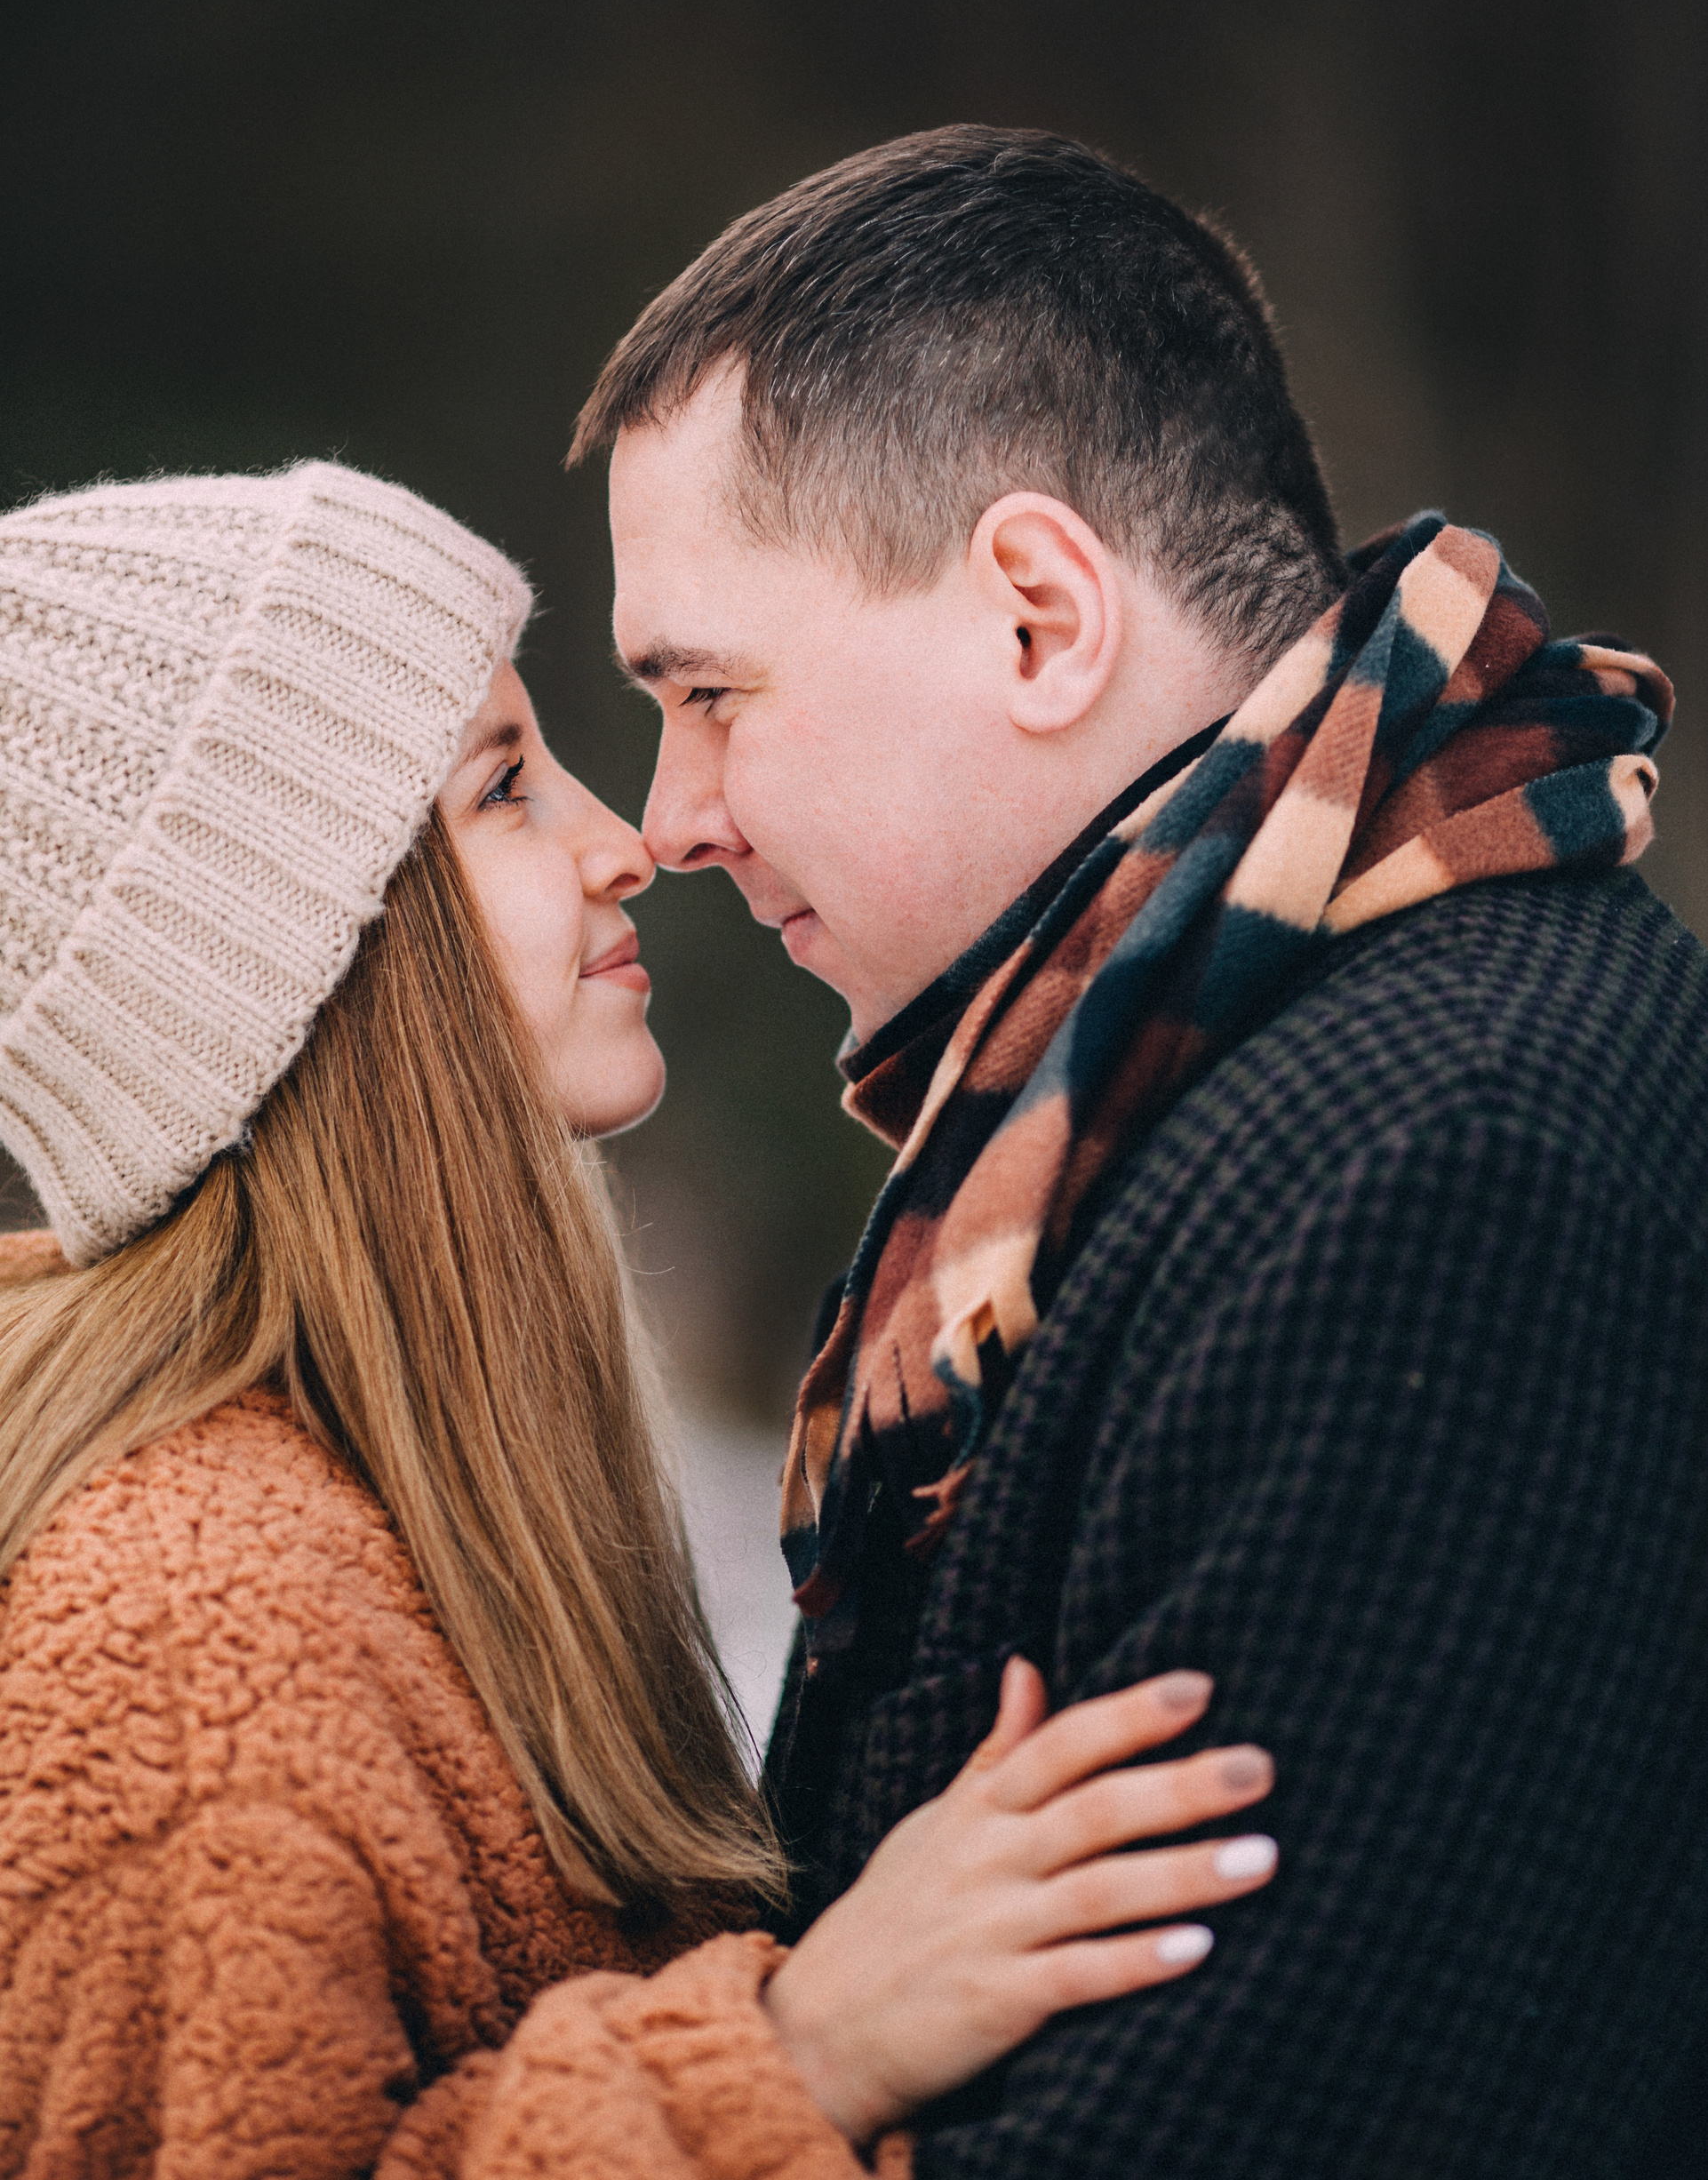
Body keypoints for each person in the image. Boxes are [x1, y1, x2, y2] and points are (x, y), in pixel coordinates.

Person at [570, 124, 1708, 2177]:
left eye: (712, 691)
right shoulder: (1171, 1094)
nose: (673, 817)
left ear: (1035, 615)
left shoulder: (1438, 1165)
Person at [0, 462, 1284, 2179]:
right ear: (296, 959)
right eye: (507, 788)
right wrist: (797, 2052)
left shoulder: (399, 1489)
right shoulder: (188, 1626)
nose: (628, 843)